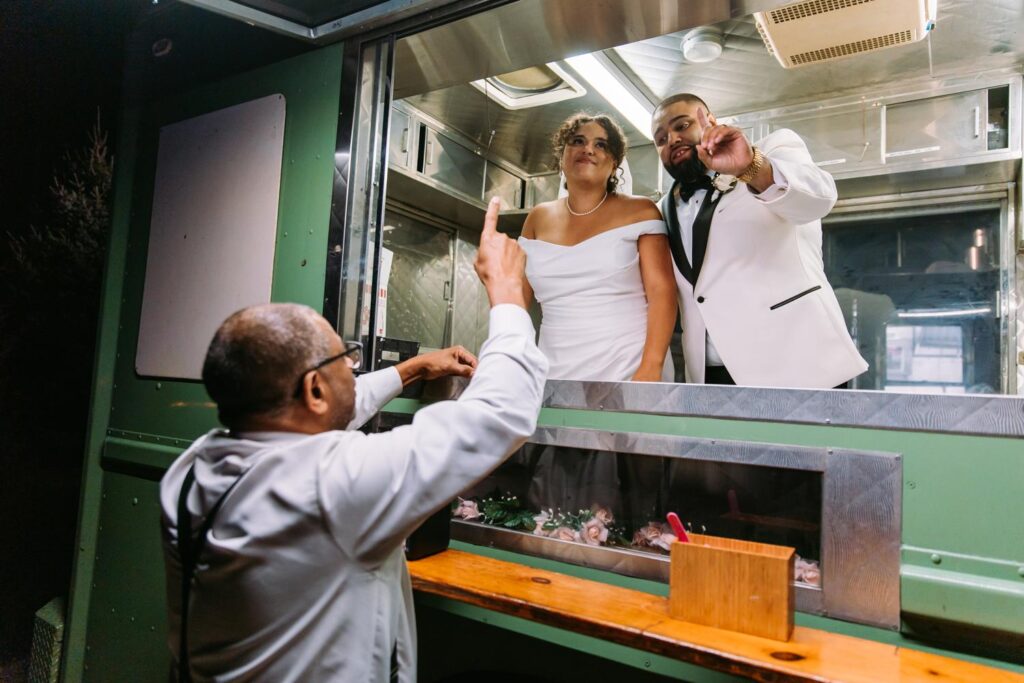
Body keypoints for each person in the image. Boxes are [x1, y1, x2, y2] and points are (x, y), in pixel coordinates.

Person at [158, 198, 548, 682]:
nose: (353, 365)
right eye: (345, 356)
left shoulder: (192, 470)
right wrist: (508, 296)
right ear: (314, 389)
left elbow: (322, 411)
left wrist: (408, 371)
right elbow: (497, 415)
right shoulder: (331, 487)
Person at [652, 93, 867, 388]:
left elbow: (819, 199)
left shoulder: (773, 149)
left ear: (710, 121)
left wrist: (750, 168)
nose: (672, 140)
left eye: (681, 125)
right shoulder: (660, 209)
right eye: (660, 139)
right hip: (710, 377)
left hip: (796, 361)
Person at [519, 112, 676, 382]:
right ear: (562, 156)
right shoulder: (537, 218)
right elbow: (516, 302)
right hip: (553, 373)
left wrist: (651, 367)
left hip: (629, 368)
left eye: (601, 144)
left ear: (614, 163)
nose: (588, 148)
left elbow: (662, 292)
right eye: (577, 141)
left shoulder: (640, 210)